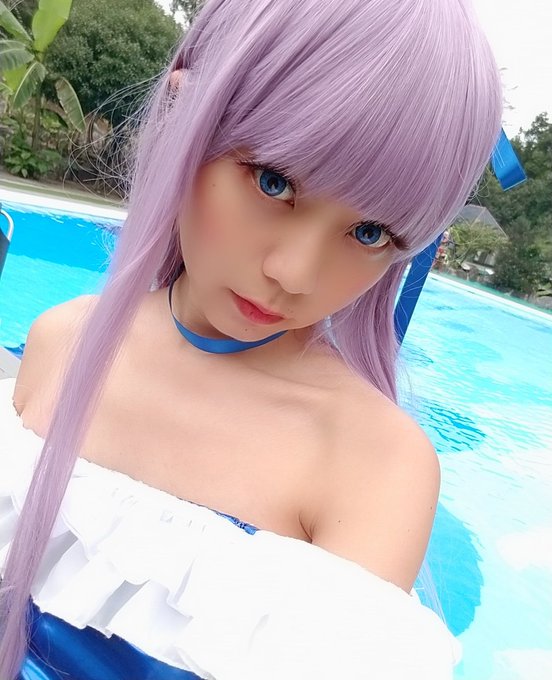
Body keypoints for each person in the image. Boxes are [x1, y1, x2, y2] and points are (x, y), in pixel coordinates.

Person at [0, 0, 502, 677]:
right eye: (274, 181)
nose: (293, 273)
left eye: (370, 233)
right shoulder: (62, 340)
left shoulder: (373, 465)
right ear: (182, 115)